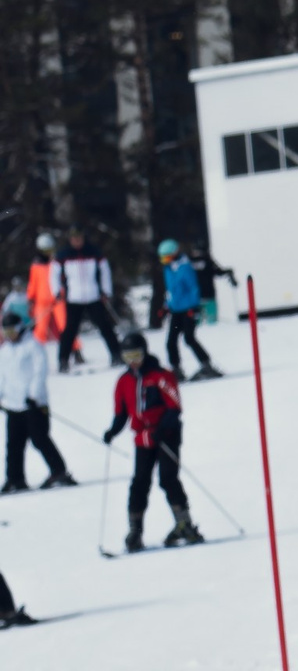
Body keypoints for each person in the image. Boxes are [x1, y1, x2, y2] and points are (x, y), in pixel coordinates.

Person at [103, 332, 201, 552]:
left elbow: (174, 406)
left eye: (136, 355)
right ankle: (135, 529)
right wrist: (113, 431)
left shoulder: (160, 375)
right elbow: (122, 413)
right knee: (139, 482)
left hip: (167, 435)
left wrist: (162, 429)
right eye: (128, 356)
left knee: (168, 478)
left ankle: (184, 523)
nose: (133, 360)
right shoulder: (123, 381)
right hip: (142, 439)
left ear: (145, 352)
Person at [0, 295, 75, 492]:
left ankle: (58, 471)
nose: (9, 335)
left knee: (40, 439)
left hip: (34, 403)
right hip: (14, 405)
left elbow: (39, 372)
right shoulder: (5, 351)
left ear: (19, 328)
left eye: (11, 330)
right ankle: (15, 479)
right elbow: (2, 375)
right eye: (5, 331)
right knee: (13, 445)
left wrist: (33, 395)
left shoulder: (33, 346)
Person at [153, 240, 220, 377]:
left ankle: (206, 364)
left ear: (174, 254)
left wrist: (193, 307)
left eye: (167, 257)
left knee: (189, 338)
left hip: (188, 310)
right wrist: (166, 306)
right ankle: (176, 369)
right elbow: (172, 291)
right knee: (171, 341)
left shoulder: (185, 267)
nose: (165, 261)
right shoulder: (168, 269)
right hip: (176, 311)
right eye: (163, 258)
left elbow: (193, 289)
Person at [57, 230, 118, 370]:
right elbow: (54, 274)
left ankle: (116, 354)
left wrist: (106, 291)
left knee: (105, 326)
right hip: (73, 298)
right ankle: (63, 360)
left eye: (79, 238)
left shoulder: (94, 252)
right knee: (69, 331)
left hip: (93, 296)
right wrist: (57, 291)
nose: (77, 241)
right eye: (74, 238)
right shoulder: (63, 255)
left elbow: (105, 272)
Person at [23, 234, 65, 353]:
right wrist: (30, 299)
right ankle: (36, 352)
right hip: (42, 301)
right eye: (46, 250)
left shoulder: (57, 263)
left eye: (50, 250)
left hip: (58, 299)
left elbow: (63, 279)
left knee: (65, 326)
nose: (48, 253)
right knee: (40, 330)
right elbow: (33, 284)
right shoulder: (36, 265)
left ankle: (76, 351)